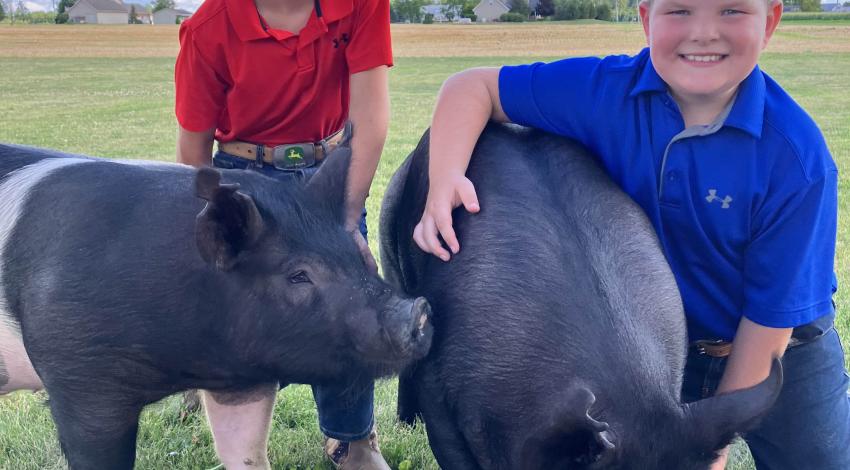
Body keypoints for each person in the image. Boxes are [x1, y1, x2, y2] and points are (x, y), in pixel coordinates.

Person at [413, 1, 850, 468]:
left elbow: (768, 327)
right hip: (655, 346)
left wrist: (709, 453)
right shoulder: (603, 93)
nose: (704, 33)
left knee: (817, 459)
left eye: (732, 10)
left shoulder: (796, 158)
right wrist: (446, 176)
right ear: (645, 18)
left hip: (781, 350)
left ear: (771, 21)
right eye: (680, 10)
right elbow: (471, 86)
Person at [173, 0, 392, 468]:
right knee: (236, 312)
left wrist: (346, 223)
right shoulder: (210, 27)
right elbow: (193, 153)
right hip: (243, 174)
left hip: (330, 174)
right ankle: (239, 442)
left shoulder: (360, 5)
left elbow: (370, 121)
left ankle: (353, 441)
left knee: (347, 302)